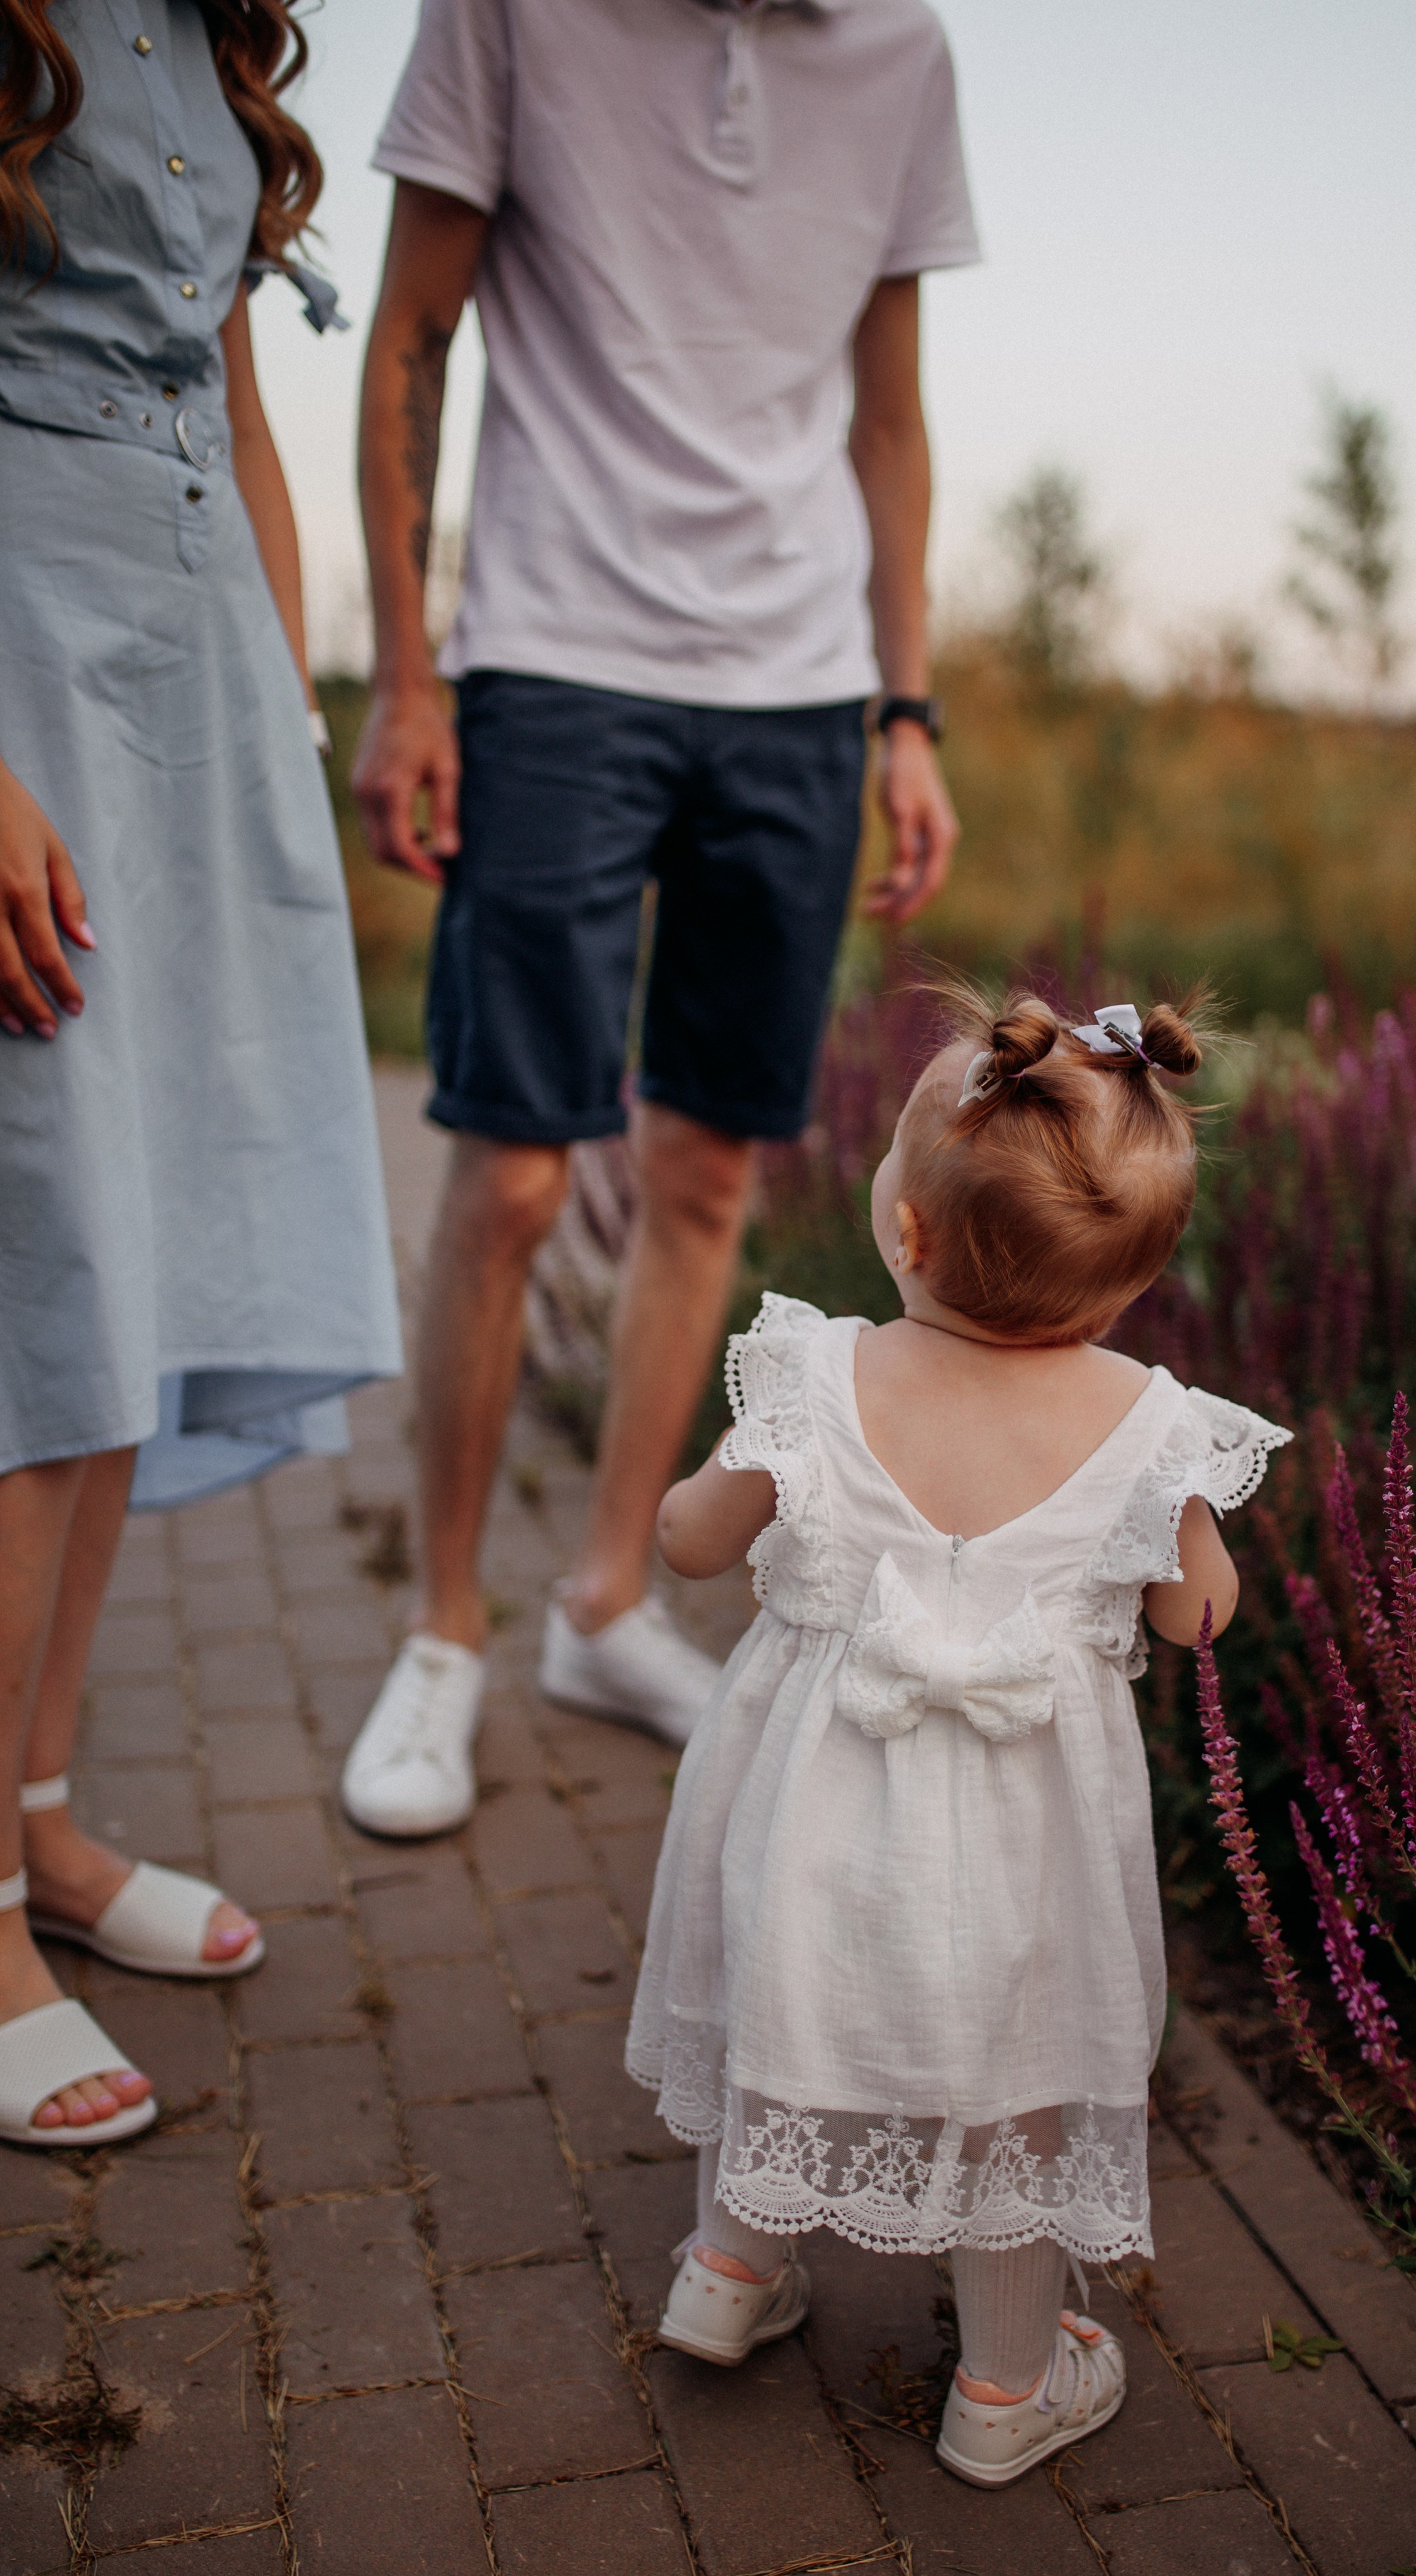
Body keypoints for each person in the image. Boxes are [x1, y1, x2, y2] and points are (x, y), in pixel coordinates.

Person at [339, 0, 979, 1840]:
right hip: (552, 660)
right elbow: (411, 331)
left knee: (706, 1171)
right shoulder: (510, 14)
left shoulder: (900, 55)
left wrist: (904, 709)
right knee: (519, 1170)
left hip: (793, 694)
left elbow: (889, 413)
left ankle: (605, 1604)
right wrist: (408, 674)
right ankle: (444, 1630)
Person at [626, 991, 1291, 2486]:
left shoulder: (814, 1376)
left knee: (779, 2008)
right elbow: (1199, 1616)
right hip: (1022, 1846)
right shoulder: (1148, 1418)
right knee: (1017, 2085)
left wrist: (750, 1504)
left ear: (907, 1235)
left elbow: (680, 1538)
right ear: (1124, 1287)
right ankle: (1003, 2384)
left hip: (801, 1808)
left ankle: (724, 2275)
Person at [0, 0, 401, 2150]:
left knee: (130, 1265)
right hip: (14, 647)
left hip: (194, 665)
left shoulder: (202, 41)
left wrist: (282, 701)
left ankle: (40, 1815)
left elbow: (238, 405)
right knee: (39, 1257)